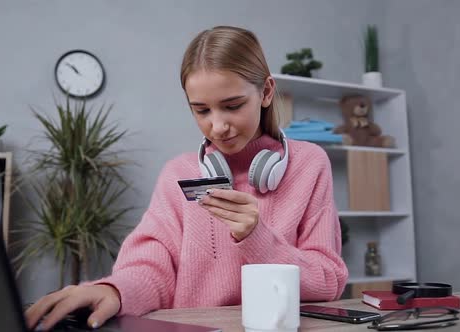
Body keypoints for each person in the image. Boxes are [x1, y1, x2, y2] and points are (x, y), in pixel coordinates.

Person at [25, 25, 348, 331]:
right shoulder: (179, 174)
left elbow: (329, 281)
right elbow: (151, 270)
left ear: (265, 92)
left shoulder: (308, 164)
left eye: (232, 106)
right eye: (202, 110)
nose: (218, 126)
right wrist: (115, 290)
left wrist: (258, 237)